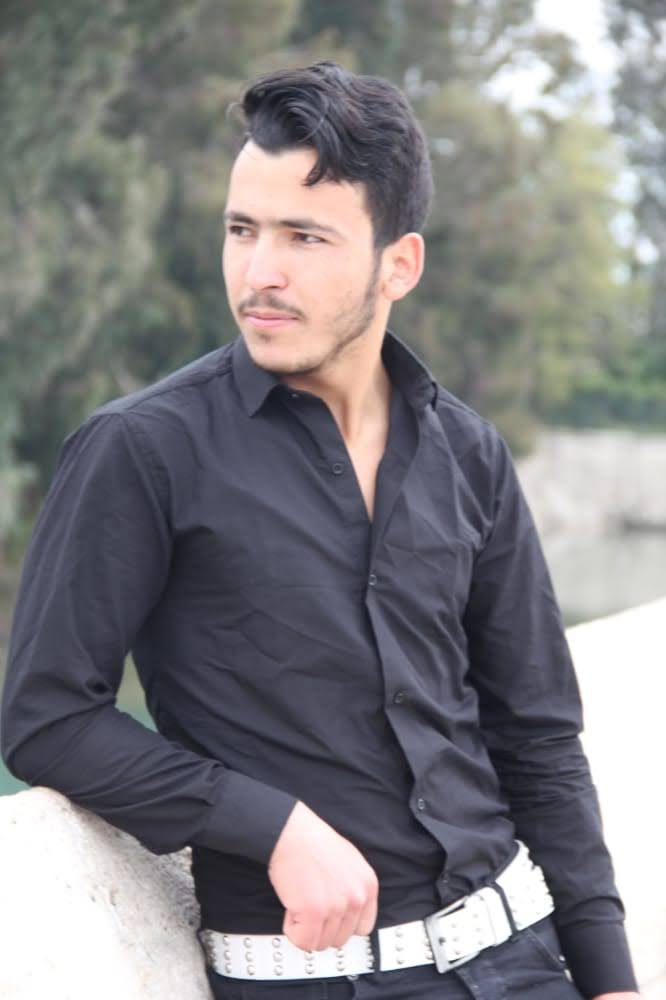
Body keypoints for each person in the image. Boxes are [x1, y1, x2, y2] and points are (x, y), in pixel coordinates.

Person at [1, 62, 639, 1000]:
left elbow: (537, 736)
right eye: (242, 230)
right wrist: (270, 823)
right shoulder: (141, 450)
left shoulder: (469, 451)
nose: (260, 272)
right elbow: (48, 719)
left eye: (304, 236)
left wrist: (611, 977)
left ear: (399, 265)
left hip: (522, 957)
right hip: (311, 978)